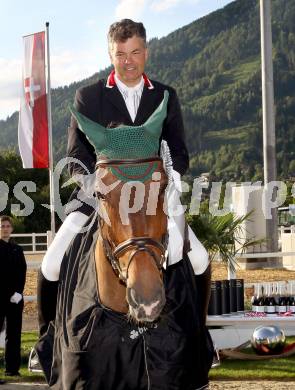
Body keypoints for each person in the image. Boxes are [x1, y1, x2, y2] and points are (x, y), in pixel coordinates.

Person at [38, 18, 210, 333]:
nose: (128, 61)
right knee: (51, 262)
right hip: (101, 194)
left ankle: (200, 337)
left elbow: (179, 151)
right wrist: (94, 184)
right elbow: (76, 154)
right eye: (120, 54)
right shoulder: (88, 97)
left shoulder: (165, 95)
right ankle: (46, 341)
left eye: (134, 52)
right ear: (111, 55)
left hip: (153, 196)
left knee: (198, 258)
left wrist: (171, 181)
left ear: (146, 52)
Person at [0, 215, 27, 377]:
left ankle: (12, 369)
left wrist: (18, 292)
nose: (5, 228)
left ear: (12, 229)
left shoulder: (17, 249)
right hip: (0, 297)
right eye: (2, 226)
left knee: (14, 334)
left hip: (15, 299)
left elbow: (21, 273)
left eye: (7, 226)